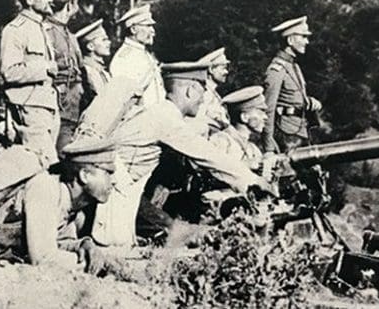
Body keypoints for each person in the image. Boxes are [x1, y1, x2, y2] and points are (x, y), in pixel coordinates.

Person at [86, 61, 274, 247]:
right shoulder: (166, 119)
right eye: (203, 91)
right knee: (140, 243)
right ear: (190, 90)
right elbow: (207, 154)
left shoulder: (161, 113)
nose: (203, 100)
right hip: (115, 192)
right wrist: (252, 181)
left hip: (120, 188)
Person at [0, 138, 117, 271]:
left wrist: (83, 246)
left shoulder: (70, 204)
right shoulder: (45, 188)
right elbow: (43, 259)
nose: (113, 181)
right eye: (107, 173)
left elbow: (57, 241)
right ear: (84, 175)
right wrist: (82, 262)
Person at [0, 0, 60, 163]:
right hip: (29, 107)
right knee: (45, 163)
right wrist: (45, 67)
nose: (51, 0)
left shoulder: (41, 28)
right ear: (30, 0)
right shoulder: (15, 29)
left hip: (47, 105)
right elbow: (9, 71)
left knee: (43, 164)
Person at [263, 16, 322, 153]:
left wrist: (308, 102)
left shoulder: (294, 67)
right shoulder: (276, 69)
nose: (307, 42)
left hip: (299, 132)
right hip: (286, 136)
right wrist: (269, 149)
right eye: (303, 37)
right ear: (290, 40)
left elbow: (292, 97)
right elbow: (268, 109)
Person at [43, 0, 85, 152]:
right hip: (61, 103)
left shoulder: (68, 33)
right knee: (62, 150)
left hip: (73, 102)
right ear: (69, 5)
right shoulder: (48, 31)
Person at [109, 4, 165, 106]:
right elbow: (124, 98)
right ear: (133, 29)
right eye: (148, 26)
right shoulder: (124, 58)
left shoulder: (145, 54)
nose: (153, 31)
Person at [189, 47, 231, 137]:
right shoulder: (205, 94)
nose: (226, 72)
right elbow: (198, 120)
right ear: (211, 70)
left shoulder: (214, 94)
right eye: (223, 68)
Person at [75, 19, 111, 110]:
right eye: (104, 40)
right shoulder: (85, 72)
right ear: (90, 46)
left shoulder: (103, 72)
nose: (109, 42)